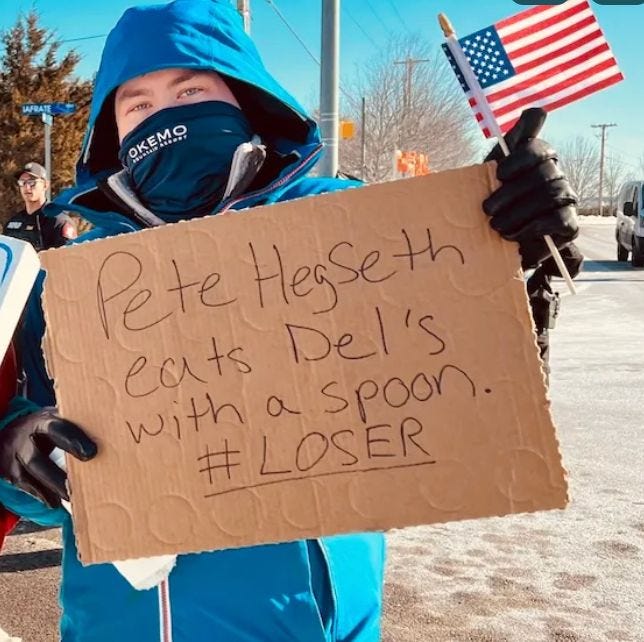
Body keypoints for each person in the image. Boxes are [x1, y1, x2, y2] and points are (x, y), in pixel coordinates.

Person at [0, 1, 579, 640]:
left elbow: (462, 389)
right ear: (112, 133)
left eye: (191, 91)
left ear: (243, 98)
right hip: (117, 622)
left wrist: (509, 257)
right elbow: (37, 469)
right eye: (137, 105)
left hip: (302, 620)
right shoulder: (69, 278)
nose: (166, 116)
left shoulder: (351, 229)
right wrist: (16, 454)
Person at [527, 242, 584, 384]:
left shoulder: (536, 235)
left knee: (536, 378)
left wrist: (561, 238)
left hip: (533, 319)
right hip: (487, 318)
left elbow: (571, 265)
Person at [2, 162, 77, 251]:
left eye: (32, 182)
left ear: (45, 185)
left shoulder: (59, 222)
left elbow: (69, 256)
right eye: (22, 182)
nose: (27, 187)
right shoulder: (12, 223)